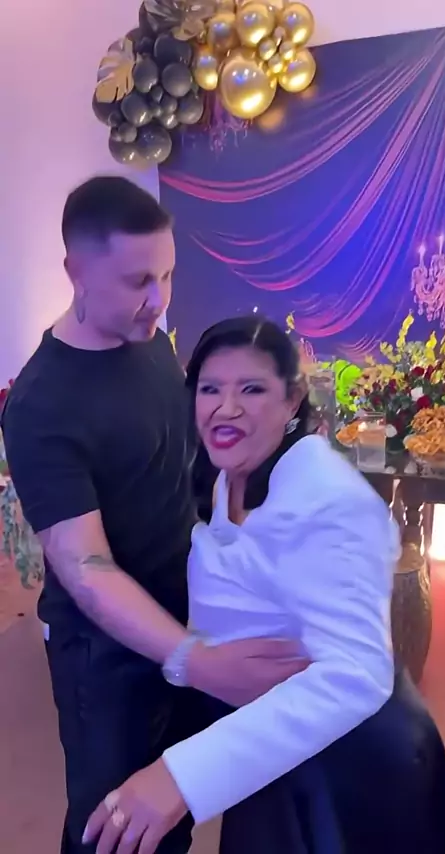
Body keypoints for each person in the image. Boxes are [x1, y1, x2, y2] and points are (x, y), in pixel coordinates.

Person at [1, 182, 308, 854]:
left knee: (173, 814)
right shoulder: (42, 403)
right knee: (114, 832)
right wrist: (196, 661)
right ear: (77, 272)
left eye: (167, 274)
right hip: (106, 658)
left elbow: (180, 468)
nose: (159, 298)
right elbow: (87, 568)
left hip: (185, 613)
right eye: (139, 280)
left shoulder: (150, 342)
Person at [85, 316, 445, 854]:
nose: (226, 407)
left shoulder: (329, 501)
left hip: (351, 765)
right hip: (278, 750)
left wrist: (182, 775)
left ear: (292, 400)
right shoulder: (228, 476)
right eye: (210, 389)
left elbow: (356, 675)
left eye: (252, 389)